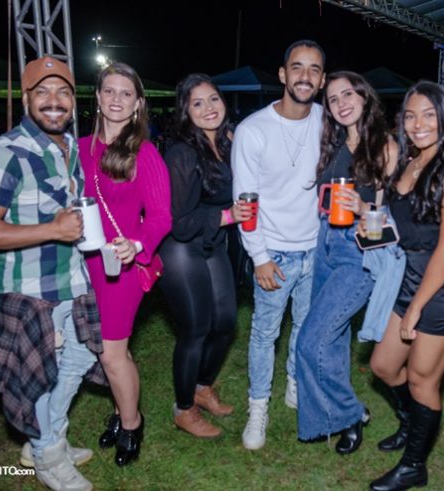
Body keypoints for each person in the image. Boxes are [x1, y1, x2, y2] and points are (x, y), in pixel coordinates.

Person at [0, 56, 103, 491]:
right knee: (39, 375)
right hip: (29, 290)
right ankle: (48, 456)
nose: (54, 101)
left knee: (82, 357)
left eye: (63, 92)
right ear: (26, 99)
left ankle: (48, 436)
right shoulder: (5, 154)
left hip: (72, 281)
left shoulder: (69, 149)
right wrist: (51, 230)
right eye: (42, 92)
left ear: (74, 101)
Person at [368, 81, 444, 489]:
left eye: (429, 115)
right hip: (409, 278)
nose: (418, 124)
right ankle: (411, 422)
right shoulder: (407, 163)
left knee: (422, 378)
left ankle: (414, 465)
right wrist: (368, 225)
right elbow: (401, 230)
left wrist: (416, 308)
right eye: (411, 115)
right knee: (383, 366)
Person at [295, 71, 397, 454]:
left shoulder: (385, 146)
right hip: (325, 242)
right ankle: (334, 419)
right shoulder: (333, 143)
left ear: (364, 97)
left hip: (359, 249)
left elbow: (393, 217)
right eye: (333, 98)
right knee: (334, 338)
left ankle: (350, 413)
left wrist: (362, 207)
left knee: (311, 340)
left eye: (348, 94)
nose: (341, 103)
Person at [232, 39, 325, 450]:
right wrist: (260, 256)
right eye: (298, 67)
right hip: (275, 254)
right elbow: (245, 201)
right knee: (264, 334)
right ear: (284, 74)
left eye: (314, 69)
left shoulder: (327, 121)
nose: (305, 76)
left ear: (322, 80)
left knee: (306, 327)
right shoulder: (253, 130)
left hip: (317, 250)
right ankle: (258, 408)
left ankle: (294, 383)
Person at [80, 62, 172, 466]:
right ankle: (121, 411)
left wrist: (136, 245)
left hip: (121, 265)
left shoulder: (144, 153)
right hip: (82, 264)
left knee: (110, 353)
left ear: (138, 104)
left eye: (126, 93)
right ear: (97, 97)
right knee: (115, 351)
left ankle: (132, 425)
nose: (116, 99)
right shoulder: (79, 148)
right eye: (109, 91)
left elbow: (161, 216)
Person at [159, 73, 251, 439]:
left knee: (226, 322)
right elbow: (180, 223)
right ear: (186, 110)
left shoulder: (227, 143)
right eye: (197, 103)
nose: (208, 108)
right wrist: (228, 216)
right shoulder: (182, 152)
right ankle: (183, 409)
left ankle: (201, 386)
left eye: (213, 99)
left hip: (211, 243)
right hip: (181, 248)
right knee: (196, 329)